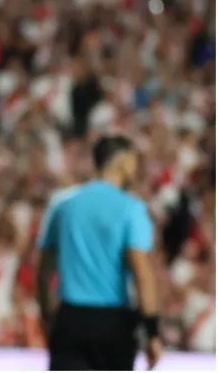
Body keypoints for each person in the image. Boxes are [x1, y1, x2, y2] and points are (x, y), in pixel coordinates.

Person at [35, 135, 163, 371]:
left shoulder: (62, 205)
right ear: (122, 161)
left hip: (69, 319)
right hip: (113, 324)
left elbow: (43, 270)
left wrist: (48, 317)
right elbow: (142, 273)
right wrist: (152, 331)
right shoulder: (131, 209)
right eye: (134, 161)